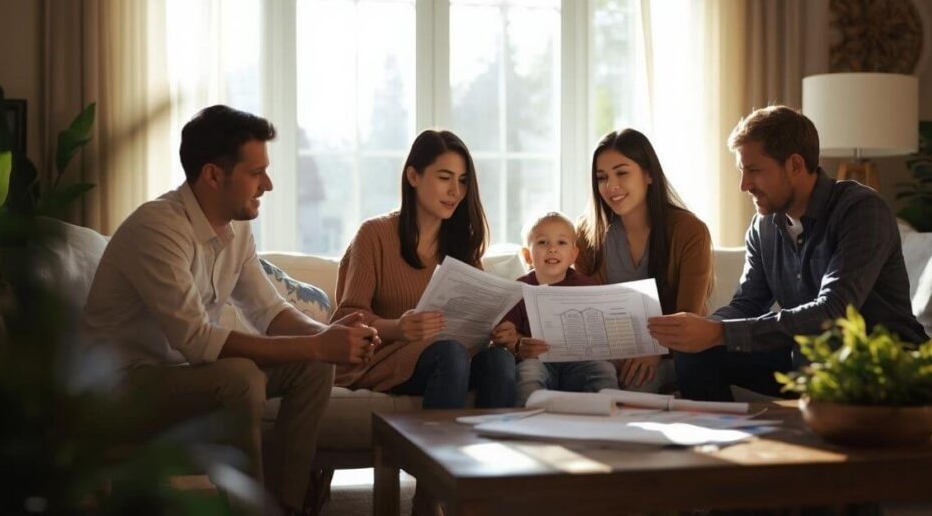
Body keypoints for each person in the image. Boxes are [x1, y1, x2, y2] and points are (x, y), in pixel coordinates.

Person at [81, 105, 380, 515]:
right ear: (212, 175)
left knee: (314, 367)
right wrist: (317, 345)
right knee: (240, 377)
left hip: (179, 377)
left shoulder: (236, 227)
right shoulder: (157, 229)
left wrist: (326, 336)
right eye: (256, 173)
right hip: (120, 389)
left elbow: (268, 311)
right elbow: (198, 342)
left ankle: (287, 505)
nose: (268, 184)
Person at [656, 105, 927, 401]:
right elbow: (747, 303)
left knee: (815, 351)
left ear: (795, 165)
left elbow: (833, 311)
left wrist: (720, 332)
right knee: (695, 353)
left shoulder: (861, 210)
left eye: (754, 170)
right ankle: (722, 439)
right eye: (742, 171)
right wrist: (698, 330)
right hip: (807, 354)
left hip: (878, 357)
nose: (744, 185)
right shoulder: (764, 226)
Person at [331, 129, 516, 409]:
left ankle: (491, 450)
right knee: (450, 355)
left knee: (500, 360)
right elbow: (346, 318)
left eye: (463, 181)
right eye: (445, 178)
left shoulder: (461, 245)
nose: (456, 191)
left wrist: (498, 330)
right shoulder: (374, 234)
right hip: (388, 360)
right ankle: (433, 453)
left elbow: (478, 316)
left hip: (452, 357)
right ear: (413, 176)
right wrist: (398, 328)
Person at [576, 129, 714, 394]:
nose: (610, 186)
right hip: (608, 353)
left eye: (622, 172)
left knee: (637, 383)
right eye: (601, 177)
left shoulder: (689, 231)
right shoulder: (586, 232)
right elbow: (584, 308)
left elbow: (690, 316)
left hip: (673, 353)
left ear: (649, 174)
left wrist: (654, 351)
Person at [491, 212, 619, 406]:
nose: (552, 249)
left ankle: (603, 423)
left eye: (561, 243)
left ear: (573, 255)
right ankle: (528, 425)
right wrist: (515, 340)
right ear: (527, 255)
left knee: (604, 370)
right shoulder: (519, 289)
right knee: (528, 372)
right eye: (543, 243)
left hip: (579, 362)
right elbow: (508, 334)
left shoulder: (586, 286)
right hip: (538, 361)